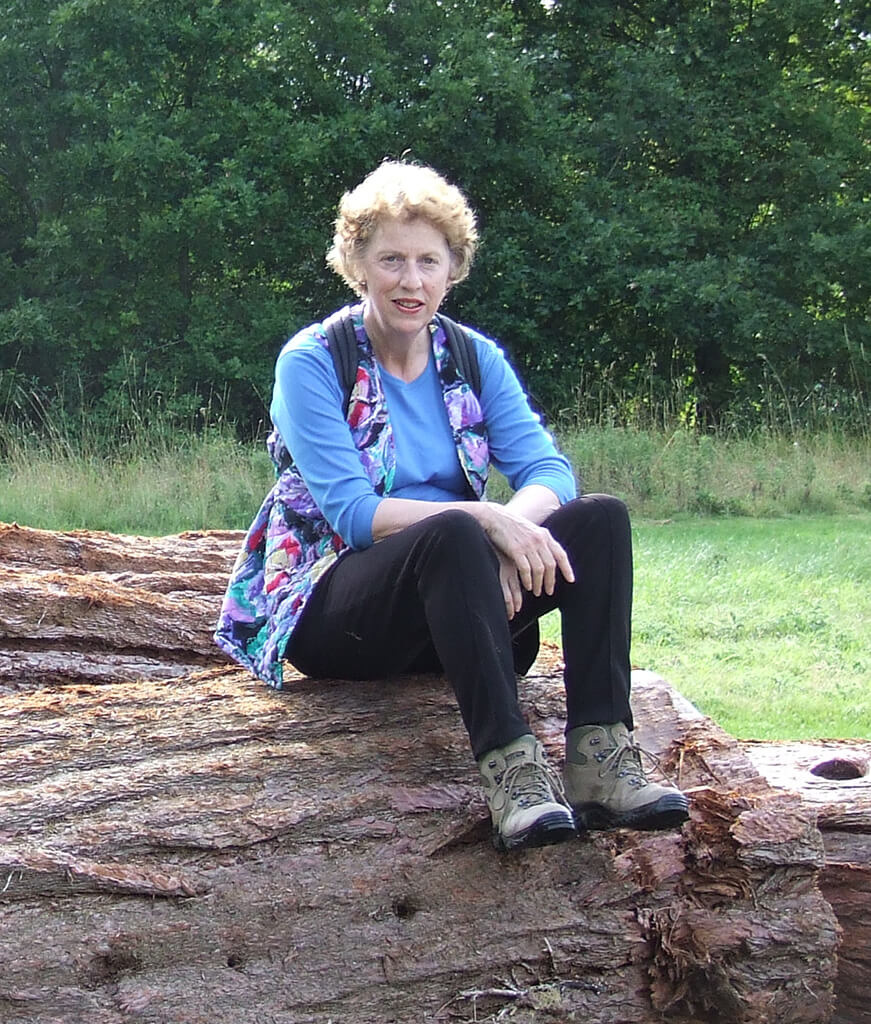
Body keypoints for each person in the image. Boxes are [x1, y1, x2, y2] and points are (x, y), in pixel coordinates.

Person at [215, 160, 689, 852]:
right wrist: (481, 520)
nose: (410, 281)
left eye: (427, 262)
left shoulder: (471, 357)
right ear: (357, 265)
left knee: (600, 519)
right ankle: (513, 778)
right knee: (453, 531)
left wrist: (506, 530)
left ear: (452, 269)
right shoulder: (314, 360)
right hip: (335, 606)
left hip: (461, 601)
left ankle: (602, 764)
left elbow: (547, 469)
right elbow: (353, 512)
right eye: (391, 261)